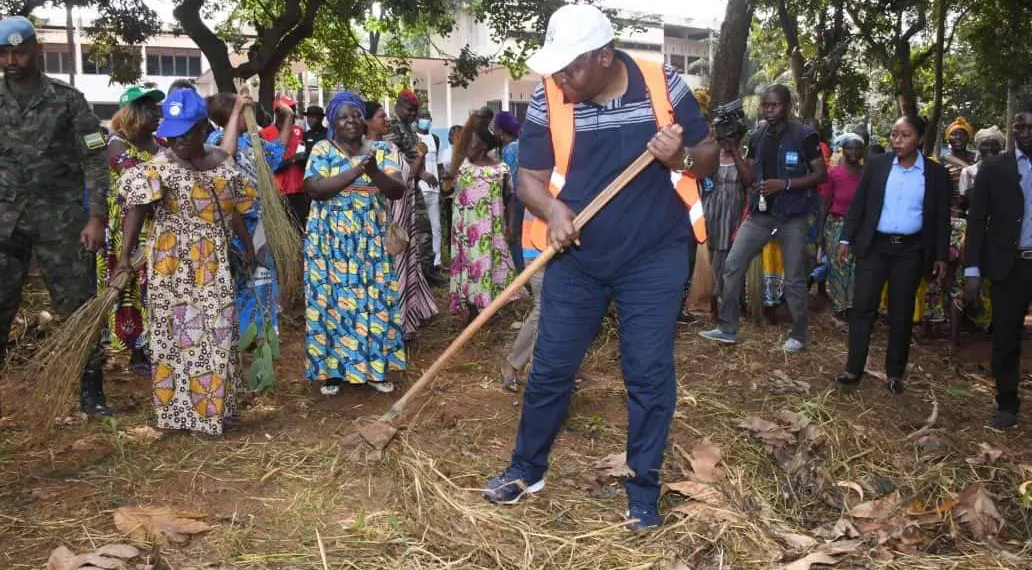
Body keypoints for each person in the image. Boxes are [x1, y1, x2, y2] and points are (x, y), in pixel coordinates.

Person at [481, 5, 717, 530]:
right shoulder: (550, 95)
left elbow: (707, 156)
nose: (560, 79)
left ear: (605, 55)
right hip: (577, 258)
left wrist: (677, 157)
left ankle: (643, 488)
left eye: (571, 69)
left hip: (653, 257)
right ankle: (526, 469)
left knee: (648, 374)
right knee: (550, 368)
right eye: (557, 69)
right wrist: (552, 210)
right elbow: (529, 180)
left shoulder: (662, 83)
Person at [115, 89, 256, 438]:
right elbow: (137, 209)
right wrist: (124, 258)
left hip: (212, 262)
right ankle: (178, 414)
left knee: (216, 334)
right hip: (169, 265)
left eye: (184, 134)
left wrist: (250, 247)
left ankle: (212, 412)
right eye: (171, 134)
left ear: (202, 130)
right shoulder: (159, 168)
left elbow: (232, 206)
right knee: (174, 337)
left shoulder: (223, 162)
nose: (174, 141)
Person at [0, 17, 111, 416]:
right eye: (5, 53)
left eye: (20, 51)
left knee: (78, 306)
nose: (12, 60)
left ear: (37, 49)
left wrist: (96, 216)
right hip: (5, 223)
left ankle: (90, 391)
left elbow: (95, 160)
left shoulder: (67, 100)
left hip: (61, 223)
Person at [700, 85, 827, 352]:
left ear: (787, 105)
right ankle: (727, 327)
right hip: (761, 214)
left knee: (793, 277)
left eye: (774, 105)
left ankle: (798, 334)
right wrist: (734, 149)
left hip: (792, 216)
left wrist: (785, 184)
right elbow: (748, 178)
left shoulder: (804, 135)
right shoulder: (758, 137)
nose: (769, 110)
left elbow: (820, 175)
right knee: (732, 265)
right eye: (765, 105)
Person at [835, 115, 949, 394]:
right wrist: (846, 239)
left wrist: (940, 255)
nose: (897, 141)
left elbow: (941, 219)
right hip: (875, 246)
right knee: (862, 308)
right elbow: (859, 205)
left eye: (905, 135)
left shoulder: (935, 174)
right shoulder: (877, 165)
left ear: (919, 139)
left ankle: (895, 373)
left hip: (910, 251)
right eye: (894, 134)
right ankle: (853, 368)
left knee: (901, 312)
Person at [303, 92, 408, 396]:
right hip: (330, 244)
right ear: (332, 122)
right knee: (331, 301)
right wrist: (356, 170)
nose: (350, 121)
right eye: (342, 117)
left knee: (372, 302)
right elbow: (313, 188)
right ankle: (333, 371)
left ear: (363, 119)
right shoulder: (322, 149)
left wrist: (373, 170)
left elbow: (397, 190)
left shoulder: (383, 149)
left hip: (371, 242)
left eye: (355, 115)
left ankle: (374, 370)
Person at [963, 107, 1032, 429]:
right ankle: (1007, 404)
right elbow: (976, 222)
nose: (1026, 132)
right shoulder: (994, 168)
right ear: (1012, 129)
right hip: (1010, 265)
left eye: (1031, 126)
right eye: (1020, 126)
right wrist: (972, 270)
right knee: (1006, 336)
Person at [206, 93, 293, 339]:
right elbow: (226, 156)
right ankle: (239, 334)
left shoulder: (251, 141)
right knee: (241, 275)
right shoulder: (217, 140)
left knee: (261, 277)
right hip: (236, 223)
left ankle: (260, 334)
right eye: (244, 112)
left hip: (259, 224)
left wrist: (288, 118)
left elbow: (277, 154)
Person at [97, 85, 165, 373]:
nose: (158, 115)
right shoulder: (117, 144)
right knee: (129, 288)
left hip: (157, 224)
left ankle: (154, 345)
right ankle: (136, 351)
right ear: (135, 115)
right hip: (126, 228)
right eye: (151, 111)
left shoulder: (161, 143)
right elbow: (137, 179)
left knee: (153, 286)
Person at [366, 101, 438, 339]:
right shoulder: (369, 149)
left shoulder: (390, 146)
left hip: (403, 213)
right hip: (387, 215)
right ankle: (392, 322)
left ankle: (406, 316)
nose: (385, 120)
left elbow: (409, 173)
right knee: (392, 268)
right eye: (379, 116)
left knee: (406, 263)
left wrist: (419, 158)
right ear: (366, 121)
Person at [448, 115, 523, 322]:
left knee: (493, 265)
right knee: (469, 267)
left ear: (483, 143)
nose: (467, 145)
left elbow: (510, 200)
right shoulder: (462, 167)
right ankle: (471, 311)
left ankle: (495, 307)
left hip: (492, 230)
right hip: (466, 232)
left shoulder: (500, 170)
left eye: (471, 140)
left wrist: (511, 227)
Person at [385, 90, 440, 285]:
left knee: (423, 228)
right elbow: (396, 160)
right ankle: (413, 274)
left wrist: (422, 173)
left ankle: (427, 271)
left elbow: (416, 154)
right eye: (410, 110)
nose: (413, 115)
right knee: (407, 230)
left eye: (415, 111)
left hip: (413, 185)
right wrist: (420, 172)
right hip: (399, 186)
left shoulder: (409, 127)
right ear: (398, 104)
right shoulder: (391, 126)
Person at [704, 125, 748, 319]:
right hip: (713, 211)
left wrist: (736, 153)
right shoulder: (713, 157)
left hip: (734, 213)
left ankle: (734, 301)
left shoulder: (745, 157)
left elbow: (748, 182)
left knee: (733, 256)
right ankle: (712, 303)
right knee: (714, 255)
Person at [821, 133, 865, 320]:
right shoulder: (834, 173)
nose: (852, 152)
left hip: (860, 227)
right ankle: (840, 307)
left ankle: (853, 305)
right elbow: (826, 201)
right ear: (843, 149)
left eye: (856, 148)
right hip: (836, 225)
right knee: (839, 265)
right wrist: (819, 231)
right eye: (849, 148)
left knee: (856, 267)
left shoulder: (867, 173)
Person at [261, 95, 309, 228]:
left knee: (300, 229)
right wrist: (292, 160)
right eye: (290, 109)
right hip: (278, 192)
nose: (293, 112)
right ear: (277, 112)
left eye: (294, 108)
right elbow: (269, 165)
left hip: (299, 189)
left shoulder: (299, 131)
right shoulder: (265, 134)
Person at [495, 111, 525, 273]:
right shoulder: (519, 145)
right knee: (516, 238)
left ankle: (518, 275)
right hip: (522, 197)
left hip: (513, 200)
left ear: (501, 130)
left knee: (512, 237)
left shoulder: (509, 151)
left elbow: (508, 181)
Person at [416, 108, 444, 272]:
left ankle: (437, 260)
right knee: (421, 227)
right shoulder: (414, 138)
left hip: (434, 189)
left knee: (436, 227)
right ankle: (421, 262)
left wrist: (441, 186)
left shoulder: (435, 139)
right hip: (420, 187)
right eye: (423, 117)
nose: (426, 119)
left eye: (428, 117)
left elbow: (439, 165)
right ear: (417, 119)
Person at [960, 126, 1006, 196]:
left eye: (994, 144)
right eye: (985, 144)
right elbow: (964, 199)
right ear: (978, 147)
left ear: (1000, 147)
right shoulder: (967, 172)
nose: (990, 148)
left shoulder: (1009, 170)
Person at [943, 117, 977, 194]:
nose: (958, 137)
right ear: (948, 138)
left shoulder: (977, 158)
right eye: (954, 134)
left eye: (962, 134)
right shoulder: (941, 162)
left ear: (969, 138)